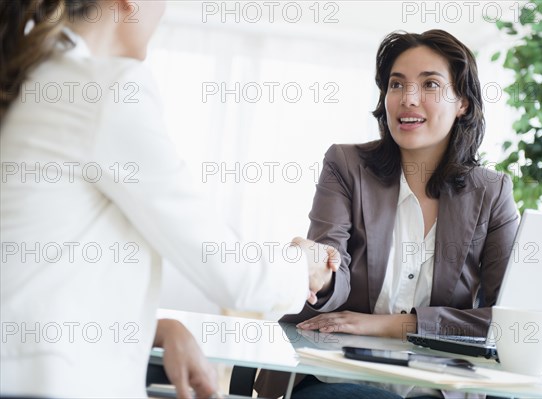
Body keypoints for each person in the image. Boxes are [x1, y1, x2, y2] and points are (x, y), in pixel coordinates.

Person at [0, 1, 338, 398]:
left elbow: (58, 266)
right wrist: (307, 265)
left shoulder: (40, 79)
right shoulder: (109, 87)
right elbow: (228, 270)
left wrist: (160, 329)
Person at [255, 29, 519, 399]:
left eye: (429, 85)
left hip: (435, 388)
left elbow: (509, 320)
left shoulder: (492, 193)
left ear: (463, 103)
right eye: (397, 84)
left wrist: (394, 325)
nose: (408, 99)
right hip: (335, 376)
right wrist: (318, 270)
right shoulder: (345, 165)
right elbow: (333, 272)